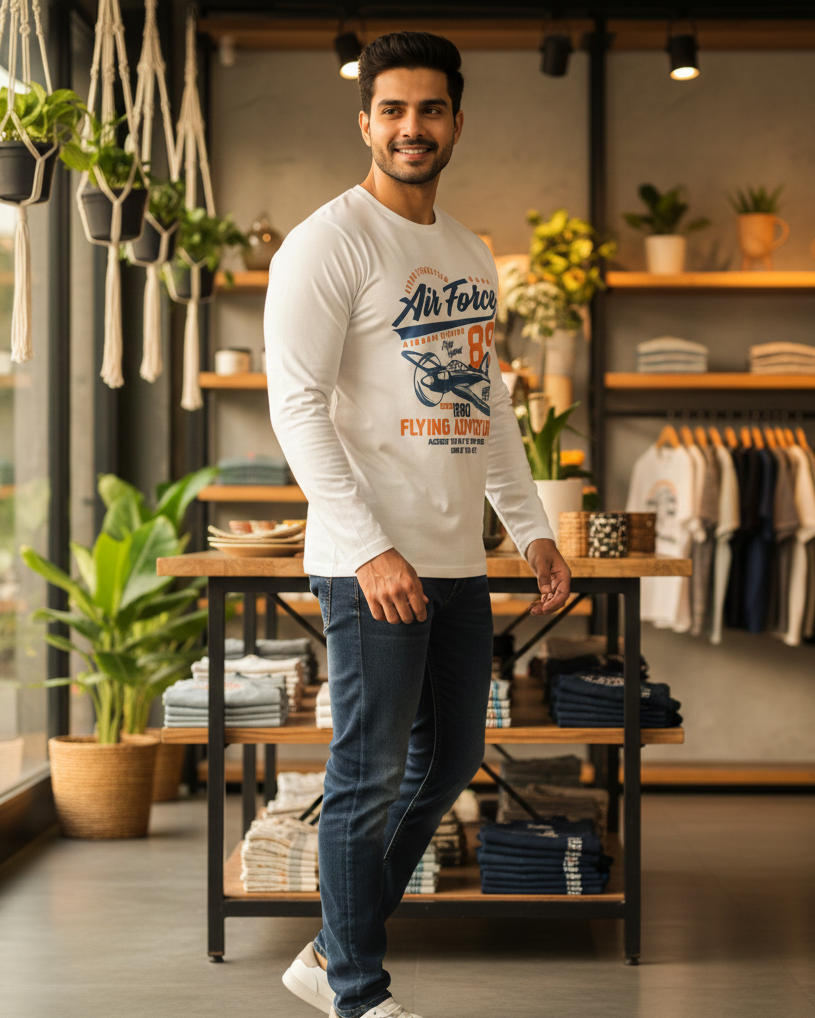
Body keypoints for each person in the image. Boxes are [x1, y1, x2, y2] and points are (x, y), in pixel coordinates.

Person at [265, 31, 571, 1018]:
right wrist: (366, 549)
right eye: (390, 110)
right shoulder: (329, 241)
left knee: (444, 764)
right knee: (363, 776)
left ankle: (326, 950)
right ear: (364, 122)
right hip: (371, 567)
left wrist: (527, 529)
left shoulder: (470, 251)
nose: (409, 127)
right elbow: (297, 406)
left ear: (455, 121)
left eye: (428, 109)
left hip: (454, 562)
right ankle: (357, 990)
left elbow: (483, 412)